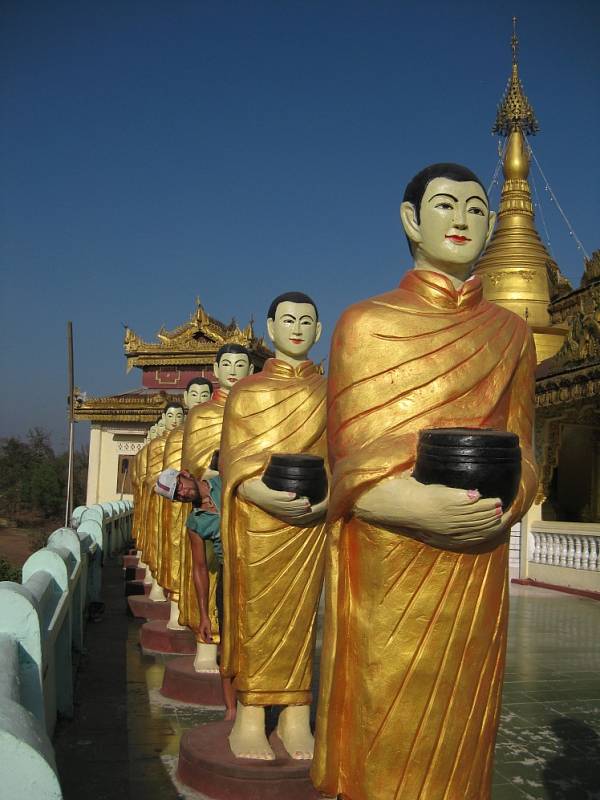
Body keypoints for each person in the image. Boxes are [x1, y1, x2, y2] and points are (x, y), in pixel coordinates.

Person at [311, 163, 537, 800]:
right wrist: (415, 505)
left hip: (476, 555)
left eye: (475, 207)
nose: (463, 219)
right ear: (411, 220)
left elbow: (527, 448)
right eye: (445, 205)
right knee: (384, 728)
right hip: (391, 554)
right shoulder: (366, 323)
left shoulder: (513, 333)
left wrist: (502, 505)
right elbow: (348, 458)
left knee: (465, 734)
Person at [219, 291, 328, 761]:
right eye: (288, 319)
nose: (297, 328)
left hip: (309, 520)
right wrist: (254, 489)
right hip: (258, 520)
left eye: (307, 320)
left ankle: (295, 716)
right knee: (257, 618)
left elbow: (344, 454)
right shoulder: (248, 392)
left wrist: (328, 499)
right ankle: (249, 717)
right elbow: (232, 460)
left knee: (303, 620)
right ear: (269, 329)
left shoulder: (331, 392)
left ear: (319, 331)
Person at [178, 344, 254, 672]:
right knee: (205, 570)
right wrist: (218, 468)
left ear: (251, 371)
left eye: (241, 364)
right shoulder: (201, 414)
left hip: (249, 501)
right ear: (216, 368)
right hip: (209, 504)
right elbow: (190, 465)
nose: (234, 370)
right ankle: (206, 642)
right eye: (227, 364)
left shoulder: (256, 409)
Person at [155, 466, 236, 720]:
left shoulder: (226, 483)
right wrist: (203, 615)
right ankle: (231, 709)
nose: (181, 494)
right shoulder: (196, 522)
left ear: (186, 474)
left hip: (257, 564)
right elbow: (200, 569)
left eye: (178, 486)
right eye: (176, 496)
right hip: (230, 575)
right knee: (230, 643)